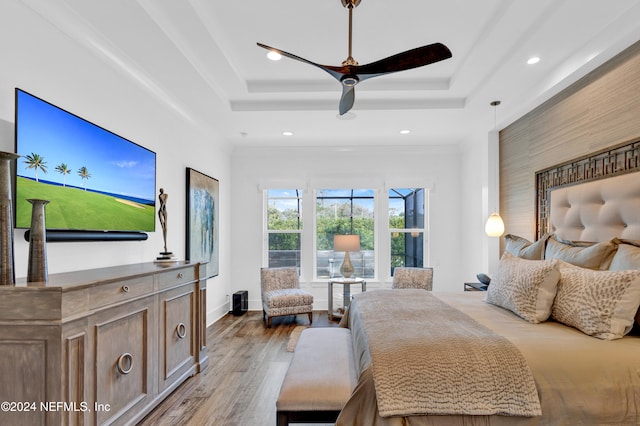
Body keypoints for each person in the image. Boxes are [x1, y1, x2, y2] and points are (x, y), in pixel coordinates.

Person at [158, 188, 168, 253]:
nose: (161, 191)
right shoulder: (159, 196)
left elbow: (164, 202)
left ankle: (165, 244)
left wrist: (162, 207)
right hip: (160, 211)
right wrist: (161, 208)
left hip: (164, 211)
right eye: (161, 190)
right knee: (163, 228)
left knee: (166, 228)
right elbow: (162, 202)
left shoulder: (166, 195)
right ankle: (165, 245)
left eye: (162, 190)